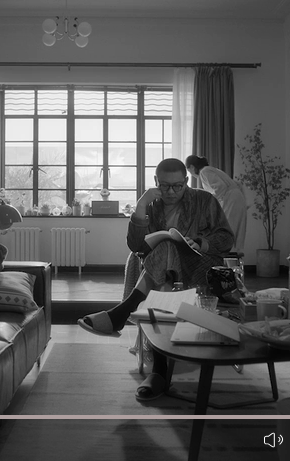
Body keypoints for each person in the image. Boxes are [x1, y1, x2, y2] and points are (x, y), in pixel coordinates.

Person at [78, 158, 235, 400]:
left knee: (167, 252)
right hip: (164, 273)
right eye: (164, 186)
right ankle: (159, 370)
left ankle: (123, 316)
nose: (171, 192)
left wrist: (201, 242)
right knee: (166, 260)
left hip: (199, 268)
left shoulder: (205, 200)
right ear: (155, 182)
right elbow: (136, 245)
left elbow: (226, 238)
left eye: (177, 186)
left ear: (186, 181)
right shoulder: (152, 205)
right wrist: (141, 205)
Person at [185, 155, 247, 256]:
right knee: (233, 227)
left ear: (191, 167)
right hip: (235, 197)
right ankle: (232, 252)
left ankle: (228, 252)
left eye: (189, 171)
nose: (191, 174)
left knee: (227, 227)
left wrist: (207, 201)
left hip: (231, 198)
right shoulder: (210, 170)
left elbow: (219, 188)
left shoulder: (204, 171)